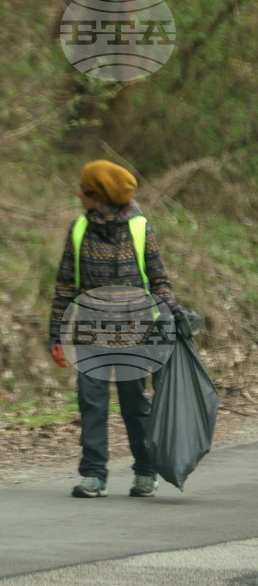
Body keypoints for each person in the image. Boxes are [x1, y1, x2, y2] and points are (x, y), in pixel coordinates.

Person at [49, 159, 182, 499]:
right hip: (90, 333)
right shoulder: (79, 230)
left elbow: (158, 280)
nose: (78, 193)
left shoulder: (139, 229)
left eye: (84, 189)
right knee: (90, 403)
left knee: (134, 405)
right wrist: (56, 336)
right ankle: (94, 474)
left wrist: (174, 314)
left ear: (98, 195)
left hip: (136, 335)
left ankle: (145, 470)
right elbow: (65, 286)